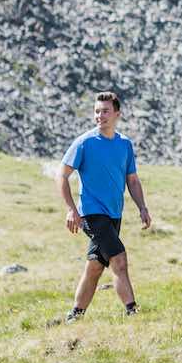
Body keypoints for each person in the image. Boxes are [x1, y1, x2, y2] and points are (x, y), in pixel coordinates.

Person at [57, 90, 151, 321]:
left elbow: (132, 180)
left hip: (113, 214)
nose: (100, 115)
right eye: (97, 111)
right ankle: (132, 311)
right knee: (118, 259)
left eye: (106, 111)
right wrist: (71, 209)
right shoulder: (84, 143)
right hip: (91, 213)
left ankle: (75, 315)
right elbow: (62, 176)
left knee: (95, 266)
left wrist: (142, 207)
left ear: (117, 113)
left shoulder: (125, 144)